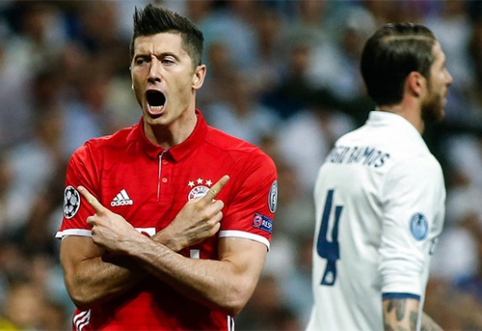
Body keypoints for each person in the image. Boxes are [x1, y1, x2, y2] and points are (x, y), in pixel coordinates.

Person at [55, 4, 278, 331]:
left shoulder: (246, 165)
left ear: (197, 76)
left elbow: (233, 290)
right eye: (142, 61)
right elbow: (80, 286)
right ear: (131, 75)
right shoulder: (93, 159)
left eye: (168, 61)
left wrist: (132, 244)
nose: (153, 72)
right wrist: (173, 238)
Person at [306, 22, 452, 331]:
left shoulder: (341, 150)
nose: (448, 79)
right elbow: (400, 276)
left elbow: (359, 276)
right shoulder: (413, 163)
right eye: (441, 68)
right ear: (417, 83)